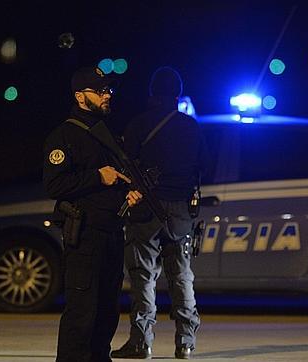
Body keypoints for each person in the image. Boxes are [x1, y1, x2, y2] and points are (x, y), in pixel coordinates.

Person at [43, 65, 142, 362]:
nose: (106, 96)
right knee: (81, 313)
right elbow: (55, 184)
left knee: (107, 311)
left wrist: (129, 194)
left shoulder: (105, 133)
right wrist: (98, 177)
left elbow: (115, 178)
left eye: (108, 90)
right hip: (85, 236)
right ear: (79, 96)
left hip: (111, 232)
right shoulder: (64, 135)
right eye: (99, 91)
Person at [111, 66, 205, 360]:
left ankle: (141, 342)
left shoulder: (138, 125)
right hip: (180, 210)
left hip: (145, 207)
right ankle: (186, 342)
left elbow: (126, 165)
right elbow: (204, 166)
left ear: (152, 93)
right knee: (181, 276)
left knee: (142, 277)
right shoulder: (191, 127)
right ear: (177, 93)